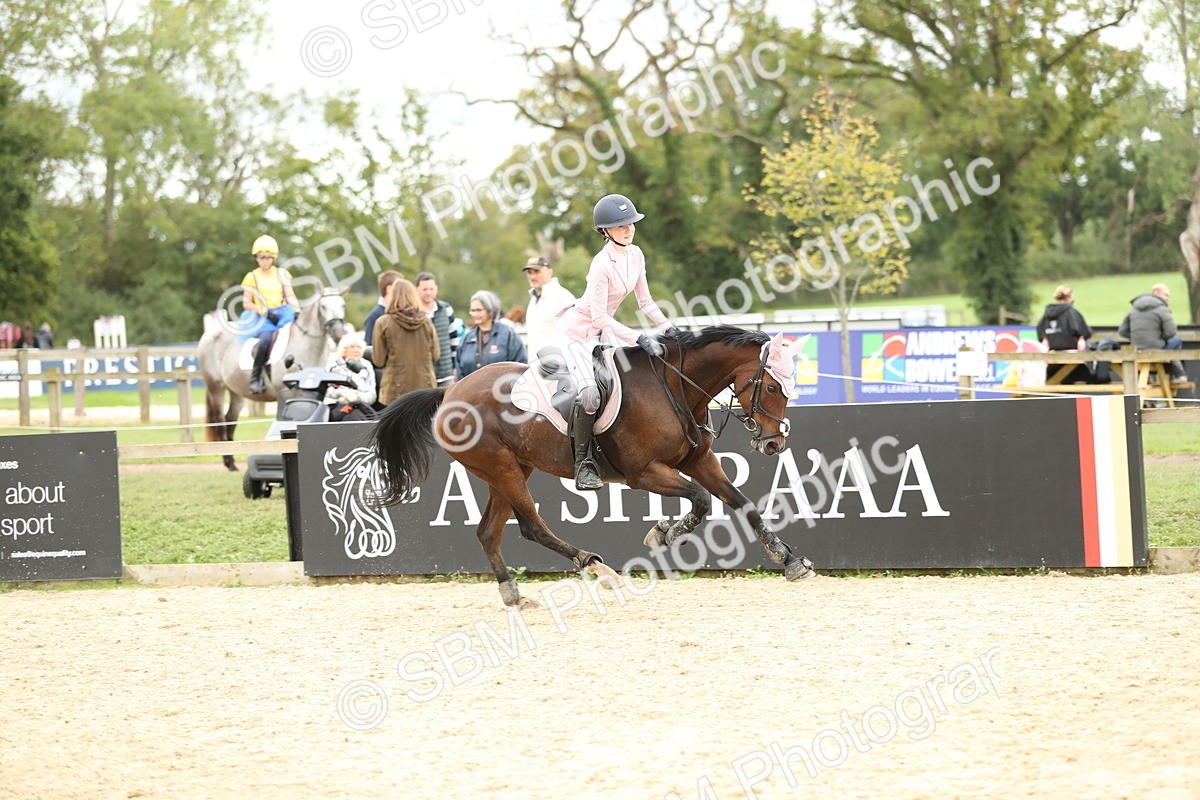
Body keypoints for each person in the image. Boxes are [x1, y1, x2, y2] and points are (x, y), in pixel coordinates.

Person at [557, 193, 677, 490]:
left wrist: (667, 326)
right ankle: (583, 464)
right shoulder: (600, 265)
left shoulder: (635, 254)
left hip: (605, 331)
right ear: (605, 231)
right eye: (621, 225)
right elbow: (598, 317)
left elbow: (646, 301)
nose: (628, 229)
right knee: (590, 396)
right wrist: (639, 337)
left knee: (630, 383)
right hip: (579, 334)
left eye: (631, 223)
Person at [241, 235, 300, 394]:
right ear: (256, 258)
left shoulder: (282, 274)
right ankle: (256, 377)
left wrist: (297, 310)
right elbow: (246, 303)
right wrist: (263, 311)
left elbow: (290, 296)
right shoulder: (251, 277)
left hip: (283, 313)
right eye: (261, 257)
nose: (264, 260)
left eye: (268, 257)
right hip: (263, 317)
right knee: (266, 341)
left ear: (273, 258)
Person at [372, 279, 439, 405]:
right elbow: (435, 355)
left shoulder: (383, 323)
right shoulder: (426, 322)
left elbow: (379, 360)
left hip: (394, 388)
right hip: (425, 387)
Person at [1118, 283, 1187, 383]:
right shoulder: (1161, 309)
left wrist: (1135, 337)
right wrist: (1160, 338)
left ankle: (1152, 377)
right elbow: (1171, 331)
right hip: (1157, 348)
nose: (1168, 299)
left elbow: (1122, 331)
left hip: (1136, 349)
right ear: (1158, 293)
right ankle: (1178, 375)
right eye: (1166, 295)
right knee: (1177, 341)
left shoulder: (1133, 309)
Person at [456, 290, 527, 379]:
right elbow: (459, 371)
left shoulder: (508, 335)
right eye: (472, 311)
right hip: (470, 392)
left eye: (478, 310)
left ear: (490, 310)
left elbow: (521, 365)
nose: (475, 314)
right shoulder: (467, 339)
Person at [1036, 285, 1094, 384]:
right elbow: (1085, 332)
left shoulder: (1047, 314)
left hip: (1052, 360)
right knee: (1091, 378)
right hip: (1074, 360)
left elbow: (1040, 333)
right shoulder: (1071, 312)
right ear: (1070, 297)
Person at [523, 255, 576, 356]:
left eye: (537, 271)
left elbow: (575, 334)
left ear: (549, 271)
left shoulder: (563, 297)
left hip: (558, 366)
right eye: (529, 272)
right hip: (535, 367)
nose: (532, 277)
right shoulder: (533, 299)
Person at [415, 272, 459, 386]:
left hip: (446, 373)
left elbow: (454, 339)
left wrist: (455, 366)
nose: (428, 293)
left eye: (431, 289)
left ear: (436, 289)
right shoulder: (413, 312)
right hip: (422, 375)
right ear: (416, 290)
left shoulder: (446, 309)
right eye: (424, 289)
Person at [324, 331, 377, 422]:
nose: (356, 350)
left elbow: (372, 394)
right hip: (336, 404)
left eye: (359, 347)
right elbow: (326, 389)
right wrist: (342, 393)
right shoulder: (333, 365)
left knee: (368, 419)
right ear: (343, 350)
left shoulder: (367, 366)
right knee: (353, 418)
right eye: (352, 347)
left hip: (359, 404)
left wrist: (357, 397)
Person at [363, 270, 403, 346]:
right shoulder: (374, 316)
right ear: (389, 289)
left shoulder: (402, 312)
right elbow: (370, 348)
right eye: (400, 286)